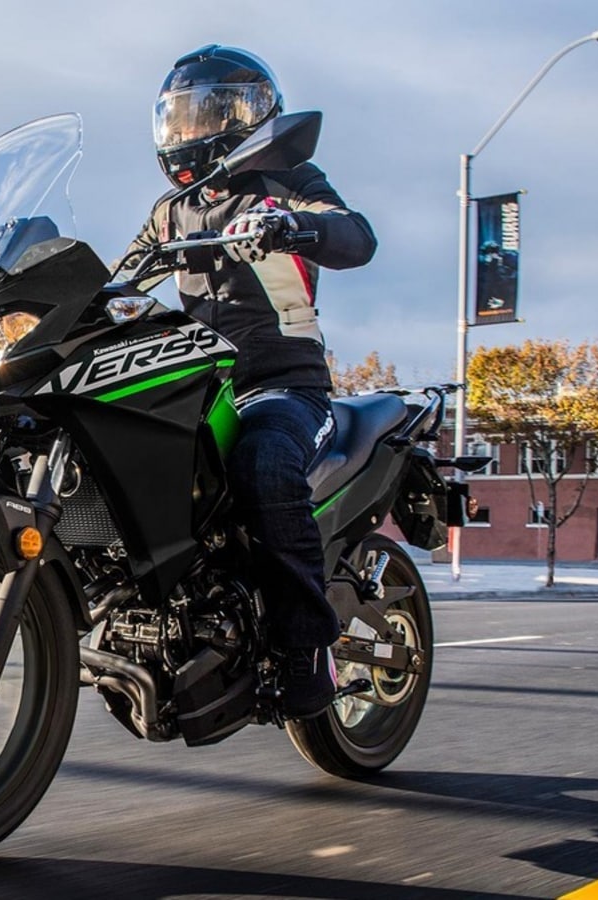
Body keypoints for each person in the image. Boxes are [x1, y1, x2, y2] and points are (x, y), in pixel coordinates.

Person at [118, 44, 378, 718]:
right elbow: (121, 281)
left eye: (205, 115)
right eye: (179, 117)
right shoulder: (170, 211)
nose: (189, 131)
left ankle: (306, 648)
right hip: (201, 389)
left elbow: (356, 237)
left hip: (285, 384)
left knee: (263, 463)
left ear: (246, 117)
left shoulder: (286, 180)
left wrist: (292, 225)